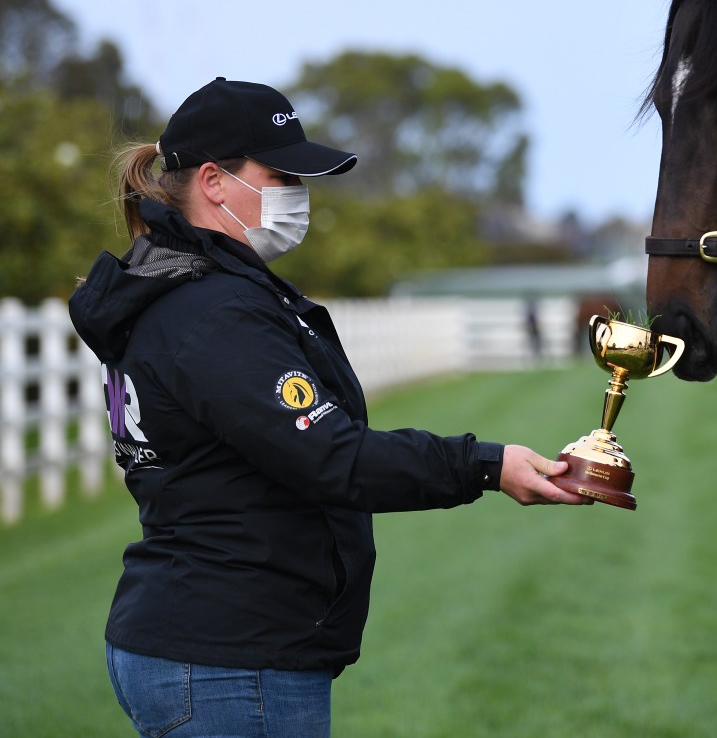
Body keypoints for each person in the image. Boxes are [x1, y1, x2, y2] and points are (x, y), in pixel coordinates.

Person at [69, 77, 590, 738]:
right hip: (230, 656)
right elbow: (329, 454)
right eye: (281, 175)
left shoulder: (196, 291)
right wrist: (486, 465)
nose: (297, 194)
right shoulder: (210, 309)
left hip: (209, 638)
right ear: (214, 181)